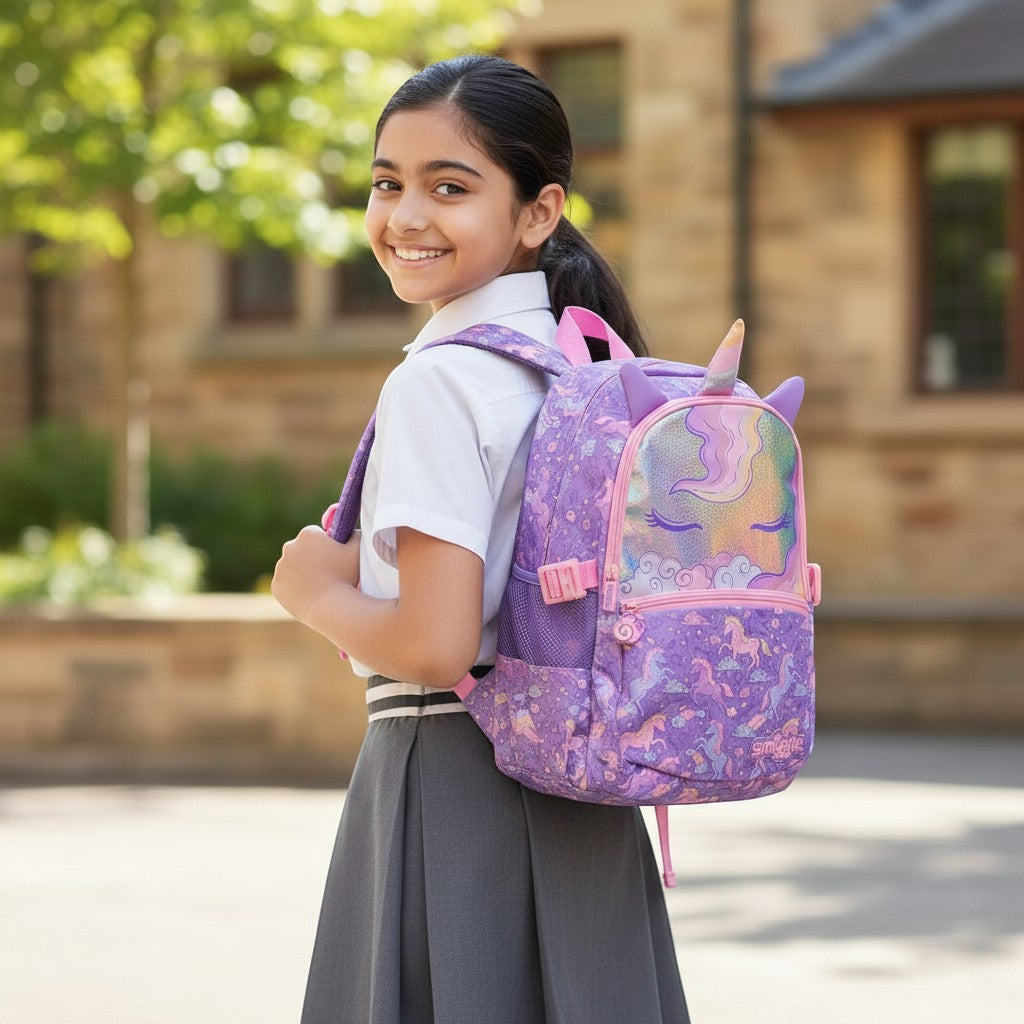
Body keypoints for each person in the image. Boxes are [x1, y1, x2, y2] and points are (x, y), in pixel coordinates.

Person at [272, 54, 690, 1024]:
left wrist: (311, 591)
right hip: (585, 792)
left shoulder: (440, 379)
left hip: (456, 780)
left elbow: (435, 642)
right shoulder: (587, 362)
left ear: (538, 212)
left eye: (448, 187)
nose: (404, 216)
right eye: (387, 183)